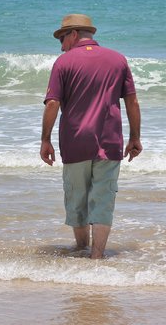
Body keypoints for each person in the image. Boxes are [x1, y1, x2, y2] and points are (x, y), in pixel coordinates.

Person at [40, 14, 142, 259]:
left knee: (77, 197)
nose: (61, 46)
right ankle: (97, 256)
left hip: (75, 142)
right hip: (110, 141)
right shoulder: (118, 59)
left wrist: (45, 140)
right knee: (104, 199)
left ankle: (81, 248)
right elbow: (132, 101)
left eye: (62, 39)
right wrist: (135, 137)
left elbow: (52, 103)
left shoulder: (63, 63)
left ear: (74, 34)